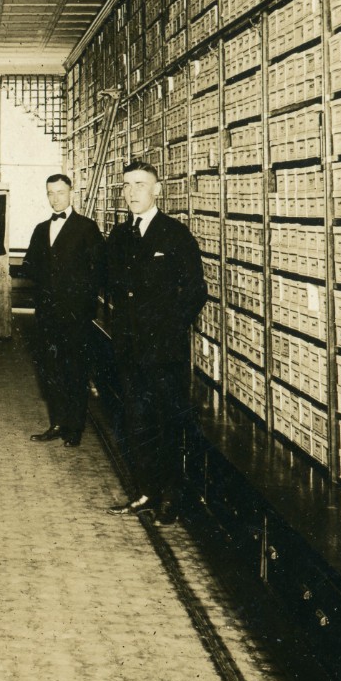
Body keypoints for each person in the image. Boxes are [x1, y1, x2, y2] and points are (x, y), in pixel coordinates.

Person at [104, 159, 205, 520]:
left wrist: (168, 329)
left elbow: (195, 292)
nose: (132, 192)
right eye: (127, 185)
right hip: (129, 348)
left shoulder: (175, 235)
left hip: (163, 352)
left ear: (157, 190)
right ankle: (146, 491)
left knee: (167, 422)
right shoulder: (119, 236)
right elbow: (112, 285)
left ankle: (170, 498)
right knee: (136, 420)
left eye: (140, 185)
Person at [23, 173, 104, 447]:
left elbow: (98, 272)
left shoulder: (87, 228)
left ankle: (74, 428)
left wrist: (81, 302)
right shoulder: (40, 229)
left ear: (72, 193)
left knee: (75, 371)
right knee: (51, 369)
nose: (55, 198)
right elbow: (30, 265)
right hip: (47, 315)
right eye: (50, 193)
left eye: (60, 192)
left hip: (75, 316)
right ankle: (56, 423)